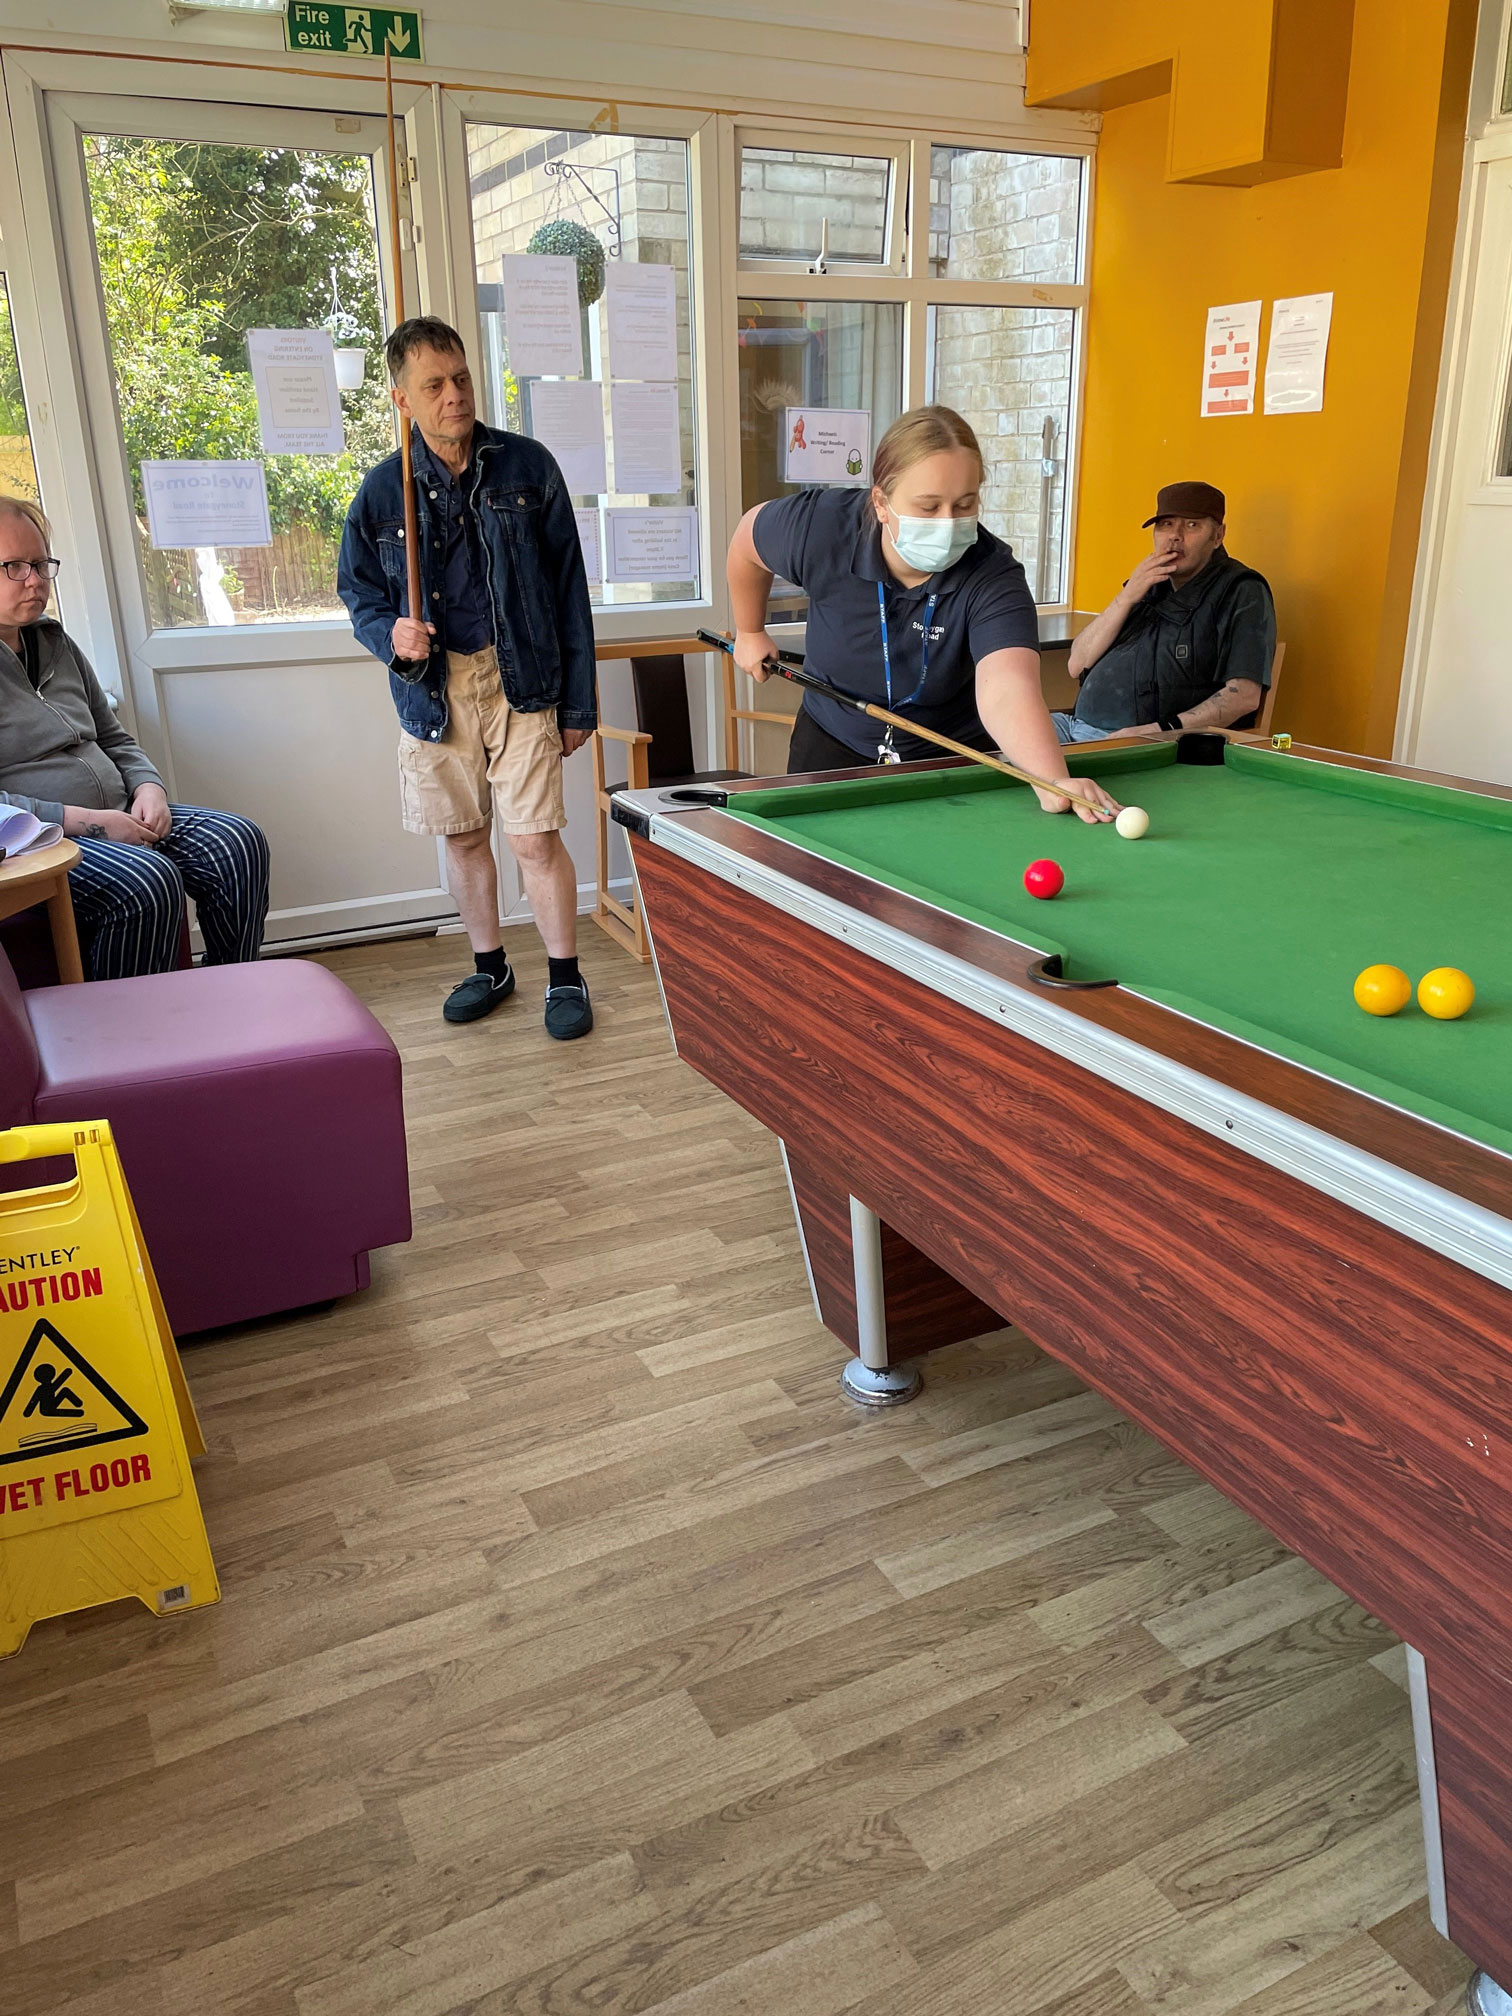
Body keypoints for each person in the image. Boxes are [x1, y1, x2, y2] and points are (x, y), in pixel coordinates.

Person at [338, 316, 596, 1037]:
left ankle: (565, 978)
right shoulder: (381, 492)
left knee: (534, 839)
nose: (453, 395)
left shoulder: (529, 467)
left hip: (522, 682)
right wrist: (390, 634)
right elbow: (359, 594)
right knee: (462, 837)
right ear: (402, 400)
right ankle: (491, 967)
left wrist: (578, 705)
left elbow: (569, 591)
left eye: (460, 378)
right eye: (433, 385)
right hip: (433, 691)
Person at [727, 406, 1117, 821]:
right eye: (929, 507)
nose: (948, 523)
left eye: (964, 504)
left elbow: (1007, 688)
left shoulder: (994, 574)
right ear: (881, 503)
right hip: (831, 742)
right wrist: (750, 630)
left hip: (950, 757)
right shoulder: (820, 526)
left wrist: (1052, 779)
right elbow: (746, 542)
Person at [0, 498, 269, 980]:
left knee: (237, 843)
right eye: (13, 567)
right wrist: (91, 823)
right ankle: (132, 1021)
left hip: (121, 809)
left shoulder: (56, 642)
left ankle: (232, 989)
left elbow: (113, 737)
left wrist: (149, 788)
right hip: (39, 841)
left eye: (40, 564)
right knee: (148, 881)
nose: (35, 580)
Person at [1057, 481, 1276, 743]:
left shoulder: (1241, 589)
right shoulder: (1148, 584)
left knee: (1034, 762)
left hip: (1144, 742)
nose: (1175, 536)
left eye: (1192, 525)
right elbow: (1077, 663)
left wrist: (1161, 730)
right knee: (1013, 729)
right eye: (1166, 524)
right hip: (1073, 725)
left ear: (1218, 536)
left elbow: (1244, 696)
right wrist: (1127, 596)